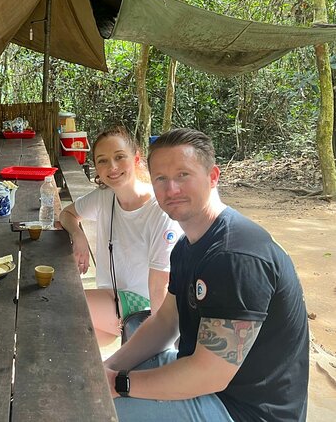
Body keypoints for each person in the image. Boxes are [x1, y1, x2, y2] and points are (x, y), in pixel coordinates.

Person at [106, 128, 309, 421]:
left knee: (99, 408)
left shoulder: (235, 256)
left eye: (183, 175)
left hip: (243, 410)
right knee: (96, 383)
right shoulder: (185, 247)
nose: (171, 189)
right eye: (161, 179)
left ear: (213, 177)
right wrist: (106, 368)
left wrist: (117, 383)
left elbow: (209, 374)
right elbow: (165, 321)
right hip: (206, 381)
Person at [59, 126, 182, 345]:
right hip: (113, 296)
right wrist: (79, 236)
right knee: (73, 342)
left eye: (119, 157)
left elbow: (159, 285)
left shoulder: (160, 209)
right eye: (103, 161)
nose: (112, 167)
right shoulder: (104, 196)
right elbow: (67, 214)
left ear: (136, 159)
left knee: (61, 308)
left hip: (143, 306)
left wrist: (158, 343)